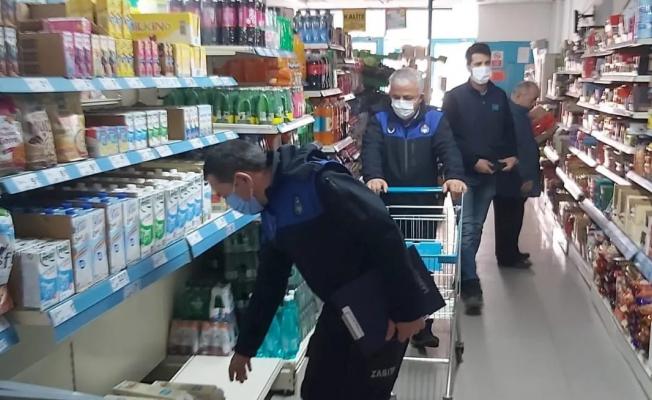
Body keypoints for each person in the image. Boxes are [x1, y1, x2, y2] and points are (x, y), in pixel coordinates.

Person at [204, 140, 433, 400]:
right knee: (316, 390)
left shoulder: (319, 182)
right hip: (340, 308)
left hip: (383, 304)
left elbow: (385, 234)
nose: (227, 202)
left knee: (363, 393)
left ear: (242, 180)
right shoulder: (272, 213)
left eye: (224, 195)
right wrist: (246, 347)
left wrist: (407, 309)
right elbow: (270, 283)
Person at [361, 67, 467, 348]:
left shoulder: (435, 119)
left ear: (421, 96)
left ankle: (423, 325)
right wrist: (373, 176)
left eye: (407, 97)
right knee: (388, 264)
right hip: (388, 204)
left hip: (423, 205)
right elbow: (371, 150)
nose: (401, 102)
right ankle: (392, 319)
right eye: (396, 96)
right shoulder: (380, 119)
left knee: (423, 264)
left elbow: (448, 150)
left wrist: (454, 176)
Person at [442, 42, 518, 315]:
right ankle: (471, 284)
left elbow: (508, 131)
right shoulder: (454, 98)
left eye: (487, 63)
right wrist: (473, 160)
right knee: (467, 228)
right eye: (478, 64)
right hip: (463, 175)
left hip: (491, 174)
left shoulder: (499, 96)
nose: (483, 68)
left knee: (476, 228)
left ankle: (463, 273)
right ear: (468, 66)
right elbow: (449, 137)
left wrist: (512, 155)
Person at [494, 81, 557, 268]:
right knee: (508, 219)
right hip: (513, 177)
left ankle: (512, 252)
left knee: (513, 217)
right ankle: (507, 257)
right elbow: (520, 150)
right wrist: (525, 178)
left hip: (514, 176)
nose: (534, 103)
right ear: (520, 95)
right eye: (532, 98)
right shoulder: (513, 116)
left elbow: (528, 143)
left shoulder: (520, 114)